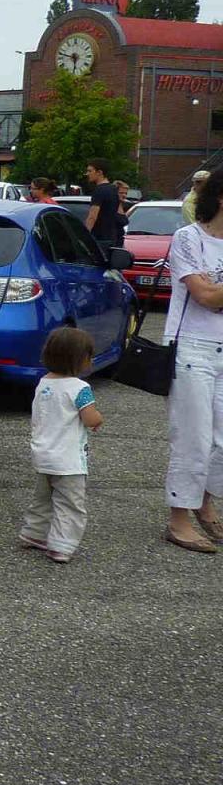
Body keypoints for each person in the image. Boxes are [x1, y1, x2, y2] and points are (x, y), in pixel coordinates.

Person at [164, 169, 223, 553]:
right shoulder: (189, 239)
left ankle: (205, 502)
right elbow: (204, 295)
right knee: (194, 438)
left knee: (222, 440)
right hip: (192, 348)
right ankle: (178, 518)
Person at [16, 327, 103, 564]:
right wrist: (98, 419)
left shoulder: (44, 383)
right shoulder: (80, 388)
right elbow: (89, 417)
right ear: (81, 360)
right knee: (70, 503)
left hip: (43, 455)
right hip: (68, 461)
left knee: (43, 498)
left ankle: (33, 533)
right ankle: (61, 545)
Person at [82, 158, 124, 250]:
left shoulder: (99, 191)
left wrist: (84, 237)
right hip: (111, 237)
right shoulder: (113, 189)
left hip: (99, 239)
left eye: (90, 171)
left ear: (99, 172)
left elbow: (92, 217)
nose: (87, 174)